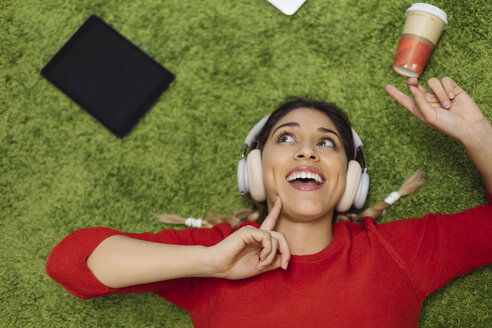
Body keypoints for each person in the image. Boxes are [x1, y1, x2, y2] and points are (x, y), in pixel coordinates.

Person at [46, 76, 492, 328]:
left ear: (351, 182)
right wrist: (207, 261)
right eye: (286, 138)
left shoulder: (398, 251)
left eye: (327, 143)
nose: (306, 151)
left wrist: (478, 137)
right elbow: (71, 263)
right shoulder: (215, 250)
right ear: (256, 172)